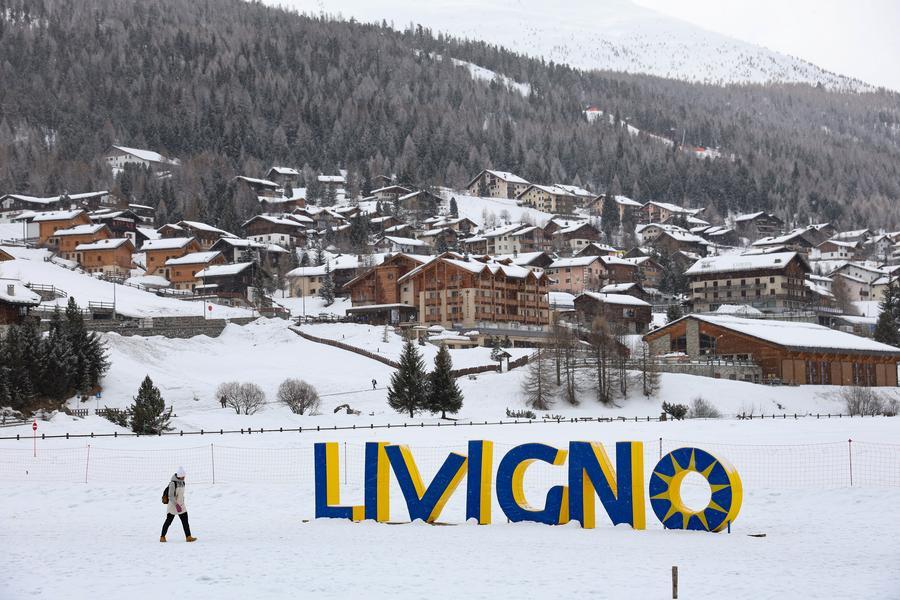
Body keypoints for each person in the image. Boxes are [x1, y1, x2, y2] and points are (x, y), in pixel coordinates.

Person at [160, 466, 197, 543]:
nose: (184, 477)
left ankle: (188, 537)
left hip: (181, 505)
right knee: (168, 521)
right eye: (183, 476)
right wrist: (176, 505)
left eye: (184, 476)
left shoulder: (183, 482)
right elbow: (170, 496)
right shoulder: (172, 484)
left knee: (185, 521)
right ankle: (162, 537)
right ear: (179, 476)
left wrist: (181, 503)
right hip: (173, 506)